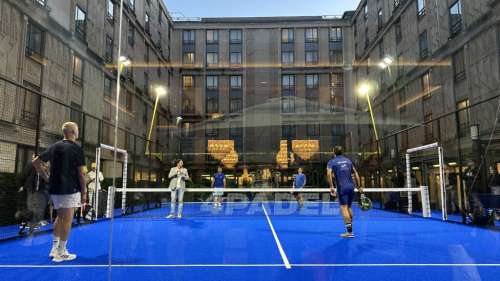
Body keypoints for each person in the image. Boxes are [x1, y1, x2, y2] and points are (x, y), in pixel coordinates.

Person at [33, 122, 86, 262]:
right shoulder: (77, 149)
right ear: (73, 132)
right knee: (67, 219)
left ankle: (54, 248)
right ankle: (61, 252)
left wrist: (47, 178)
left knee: (59, 217)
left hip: (55, 188)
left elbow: (36, 162)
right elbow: (81, 175)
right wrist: (84, 193)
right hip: (70, 189)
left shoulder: (54, 146)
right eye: (77, 129)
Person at [327, 146, 362, 238]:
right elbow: (356, 173)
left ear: (333, 152)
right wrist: (359, 186)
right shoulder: (348, 160)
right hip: (351, 187)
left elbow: (328, 173)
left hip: (342, 188)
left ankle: (349, 232)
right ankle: (350, 226)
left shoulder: (332, 161)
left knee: (344, 208)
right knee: (349, 207)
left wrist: (331, 187)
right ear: (342, 152)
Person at [17, 157, 50, 234]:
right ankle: (25, 223)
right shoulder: (31, 165)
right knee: (30, 208)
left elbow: (45, 179)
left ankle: (33, 223)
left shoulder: (43, 168)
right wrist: (22, 186)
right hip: (31, 190)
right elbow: (23, 176)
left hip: (39, 191)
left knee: (36, 208)